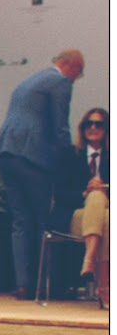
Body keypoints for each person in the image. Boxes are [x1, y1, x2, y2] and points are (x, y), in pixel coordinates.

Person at [0, 49, 85, 299]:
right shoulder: (60, 81)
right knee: (44, 219)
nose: (76, 79)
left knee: (20, 220)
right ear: (72, 66)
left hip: (6, 152)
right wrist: (70, 158)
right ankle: (45, 284)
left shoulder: (29, 81)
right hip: (32, 155)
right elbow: (60, 123)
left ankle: (23, 283)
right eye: (79, 73)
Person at [60, 107, 109, 293]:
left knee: (103, 208)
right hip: (78, 214)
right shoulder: (70, 155)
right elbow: (60, 192)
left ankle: (88, 260)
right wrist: (84, 193)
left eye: (99, 124)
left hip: (106, 209)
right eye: (89, 123)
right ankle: (105, 287)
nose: (93, 128)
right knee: (106, 218)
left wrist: (103, 190)